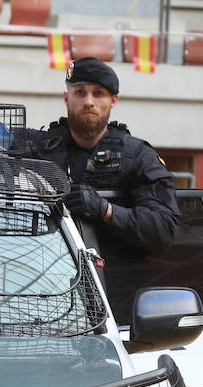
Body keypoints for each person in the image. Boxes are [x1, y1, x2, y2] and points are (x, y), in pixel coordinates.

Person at [15, 57, 179, 252]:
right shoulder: (38, 147)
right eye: (80, 93)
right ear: (67, 98)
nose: (89, 102)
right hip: (43, 271)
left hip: (116, 277)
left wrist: (105, 210)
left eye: (98, 94)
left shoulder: (137, 156)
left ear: (113, 101)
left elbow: (164, 228)